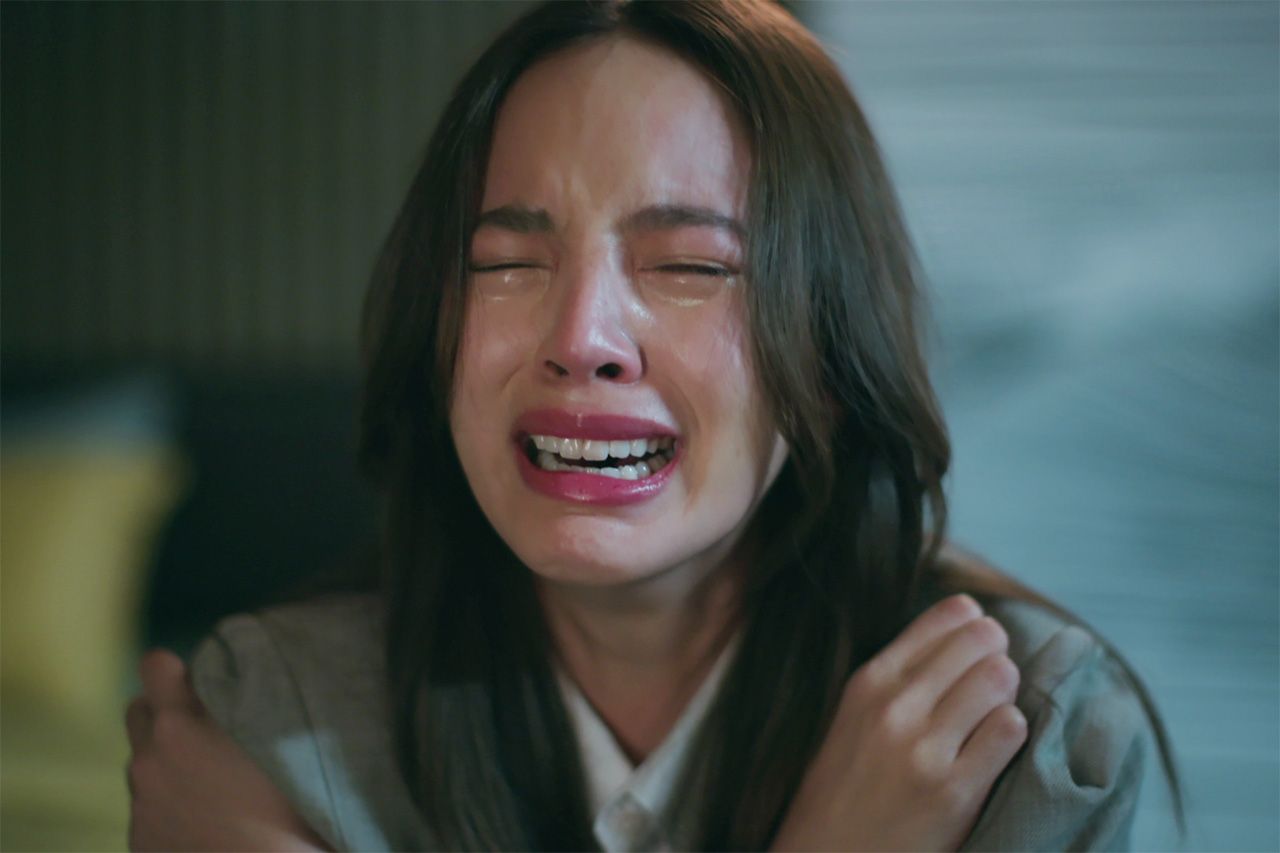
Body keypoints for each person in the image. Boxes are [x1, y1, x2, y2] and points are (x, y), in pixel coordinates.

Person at [125, 1, 1182, 850]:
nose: (581, 338)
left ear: (826, 357)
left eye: (688, 265)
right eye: (506, 263)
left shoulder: (1024, 743)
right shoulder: (271, 733)